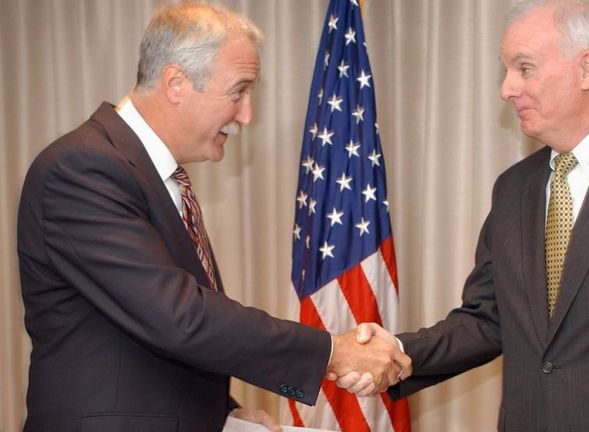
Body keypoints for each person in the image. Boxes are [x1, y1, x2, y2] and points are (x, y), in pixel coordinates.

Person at [334, 0, 589, 430]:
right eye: (506, 70)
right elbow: (487, 319)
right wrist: (400, 354)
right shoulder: (514, 188)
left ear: (586, 68)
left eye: (524, 68)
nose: (506, 88)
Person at [16, 3, 409, 432]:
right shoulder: (82, 169)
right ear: (176, 82)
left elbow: (147, 329)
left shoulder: (156, 176)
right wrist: (334, 351)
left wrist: (222, 409)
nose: (247, 115)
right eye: (238, 91)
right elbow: (178, 315)